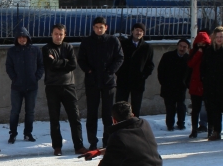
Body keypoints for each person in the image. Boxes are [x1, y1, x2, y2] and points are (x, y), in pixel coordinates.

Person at [78, 17, 124, 149]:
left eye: (101, 27)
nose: (99, 29)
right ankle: (92, 141)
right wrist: (88, 70)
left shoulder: (113, 41)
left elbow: (119, 58)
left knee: (108, 114)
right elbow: (81, 59)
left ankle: (107, 140)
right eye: (97, 27)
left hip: (108, 82)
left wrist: (111, 71)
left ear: (106, 27)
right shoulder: (87, 42)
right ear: (93, 28)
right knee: (92, 113)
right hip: (92, 82)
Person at [42, 24, 87, 156]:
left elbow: (73, 65)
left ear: (64, 35)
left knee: (75, 117)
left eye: (61, 34)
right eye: (56, 34)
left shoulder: (68, 47)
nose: (58, 36)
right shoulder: (46, 48)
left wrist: (58, 61)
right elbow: (50, 65)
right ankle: (57, 147)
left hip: (68, 85)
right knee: (54, 118)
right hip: (52, 87)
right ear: (52, 34)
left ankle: (79, 146)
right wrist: (64, 62)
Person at [5, 27, 44, 144]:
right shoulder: (12, 51)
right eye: (20, 37)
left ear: (28, 38)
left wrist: (36, 78)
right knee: (15, 111)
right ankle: (12, 134)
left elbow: (41, 66)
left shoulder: (35, 50)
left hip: (32, 87)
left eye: (24, 37)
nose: (22, 39)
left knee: (30, 112)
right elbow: (9, 67)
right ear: (17, 39)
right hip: (17, 87)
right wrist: (15, 78)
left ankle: (28, 133)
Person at [116, 22, 155, 118]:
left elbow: (150, 65)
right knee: (120, 106)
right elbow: (116, 60)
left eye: (141, 31)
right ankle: (119, 124)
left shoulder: (147, 47)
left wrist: (143, 76)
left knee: (136, 107)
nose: (138, 32)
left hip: (138, 82)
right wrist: (118, 73)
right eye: (137, 30)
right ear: (132, 31)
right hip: (123, 80)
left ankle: (134, 126)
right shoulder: (123, 44)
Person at [157, 38, 190, 131]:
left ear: (187, 48)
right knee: (170, 107)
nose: (182, 48)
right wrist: (163, 82)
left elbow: (190, 73)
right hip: (168, 86)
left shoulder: (188, 59)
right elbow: (161, 71)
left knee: (181, 107)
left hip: (181, 87)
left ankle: (181, 123)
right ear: (177, 46)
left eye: (184, 47)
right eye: (180, 46)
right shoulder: (167, 56)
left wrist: (186, 84)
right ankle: (170, 124)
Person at [186, 31, 211, 138]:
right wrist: (198, 53)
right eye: (199, 44)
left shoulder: (210, 53)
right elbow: (190, 64)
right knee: (195, 110)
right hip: (195, 85)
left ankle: (210, 129)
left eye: (203, 44)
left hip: (206, 84)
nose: (201, 46)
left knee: (209, 108)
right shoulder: (193, 53)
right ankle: (194, 129)